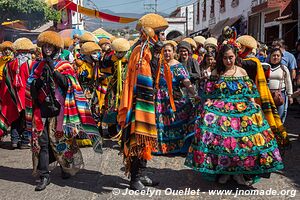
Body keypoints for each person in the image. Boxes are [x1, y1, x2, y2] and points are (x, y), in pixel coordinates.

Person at [185, 44, 284, 185]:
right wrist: (208, 102)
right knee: (224, 144)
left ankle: (238, 173)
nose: (228, 61)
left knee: (242, 144)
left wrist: (252, 102)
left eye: (231, 57)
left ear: (235, 56)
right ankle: (225, 172)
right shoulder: (216, 72)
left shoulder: (242, 72)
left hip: (241, 112)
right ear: (221, 58)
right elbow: (210, 91)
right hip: (222, 111)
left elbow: (248, 90)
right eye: (225, 58)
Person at [26, 31, 101, 191]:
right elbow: (30, 87)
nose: (47, 49)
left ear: (56, 48)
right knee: (43, 144)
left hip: (60, 111)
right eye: (45, 46)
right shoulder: (36, 65)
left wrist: (53, 70)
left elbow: (69, 85)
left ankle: (65, 167)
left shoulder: (64, 65)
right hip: (41, 111)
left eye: (50, 46)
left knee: (61, 141)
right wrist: (38, 81)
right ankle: (44, 175)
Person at [118, 13, 168, 191]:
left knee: (146, 138)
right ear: (152, 33)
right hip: (139, 102)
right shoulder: (140, 51)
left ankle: (142, 174)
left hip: (148, 101)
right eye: (161, 33)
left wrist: (156, 54)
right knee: (138, 139)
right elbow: (144, 79)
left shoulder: (152, 50)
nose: (163, 37)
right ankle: (134, 179)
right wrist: (155, 56)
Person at [237, 35, 289, 148]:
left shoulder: (252, 62)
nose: (239, 49)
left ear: (247, 48)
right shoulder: (249, 61)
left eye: (240, 47)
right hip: (242, 96)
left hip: (252, 97)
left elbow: (240, 63)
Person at [153, 41, 197, 155]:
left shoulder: (178, 66)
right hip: (160, 97)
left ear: (174, 52)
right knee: (161, 121)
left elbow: (186, 81)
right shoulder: (160, 64)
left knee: (174, 120)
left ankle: (178, 147)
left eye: (169, 51)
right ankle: (163, 147)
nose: (167, 53)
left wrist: (194, 93)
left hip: (174, 96)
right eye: (165, 51)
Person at [0, 38, 35, 148]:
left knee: (14, 117)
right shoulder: (32, 64)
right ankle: (24, 141)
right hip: (26, 97)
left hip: (12, 97)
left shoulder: (8, 65)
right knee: (26, 119)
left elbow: (5, 83)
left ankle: (14, 140)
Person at [76, 41, 102, 146]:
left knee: (93, 112)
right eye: (94, 53)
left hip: (92, 91)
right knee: (84, 113)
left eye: (97, 53)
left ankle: (92, 134)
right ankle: (83, 136)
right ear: (87, 54)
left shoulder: (95, 65)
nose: (97, 56)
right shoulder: (81, 65)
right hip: (84, 92)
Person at [102, 38, 130, 138]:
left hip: (125, 88)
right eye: (117, 52)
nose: (118, 54)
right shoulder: (111, 59)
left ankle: (124, 130)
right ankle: (112, 130)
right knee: (112, 107)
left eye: (121, 52)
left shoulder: (128, 61)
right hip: (113, 88)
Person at [268, 48, 293, 123]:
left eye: (278, 56)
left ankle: (279, 133)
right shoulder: (265, 67)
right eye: (274, 55)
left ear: (281, 57)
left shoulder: (284, 68)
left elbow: (288, 82)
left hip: (280, 95)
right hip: (267, 94)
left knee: (279, 116)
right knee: (268, 116)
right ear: (270, 56)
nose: (276, 57)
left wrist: (290, 96)